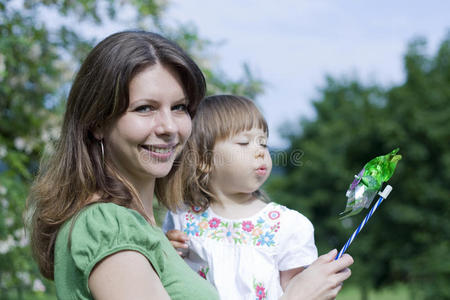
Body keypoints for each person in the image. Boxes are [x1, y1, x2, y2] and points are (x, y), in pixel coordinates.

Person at [27, 30, 353, 300]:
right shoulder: (105, 224)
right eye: (144, 108)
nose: (169, 126)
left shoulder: (154, 230)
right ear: (97, 121)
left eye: (180, 107)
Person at [163, 95, 317, 299]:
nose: (260, 152)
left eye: (263, 144)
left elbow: (300, 291)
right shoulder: (182, 216)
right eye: (244, 143)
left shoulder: (288, 226)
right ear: (204, 160)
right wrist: (168, 251)